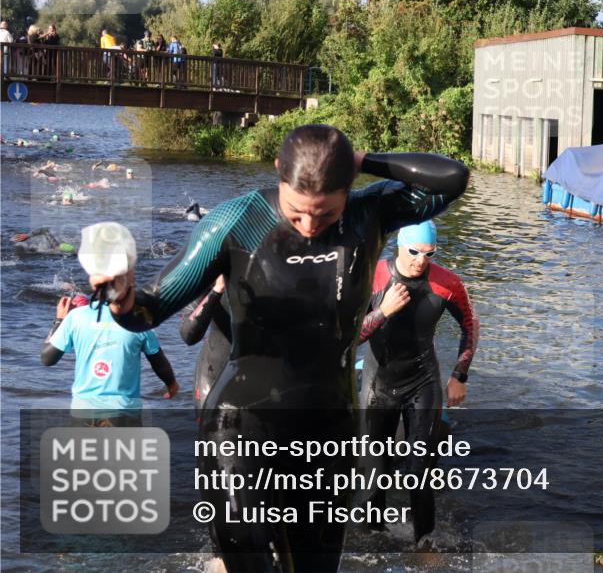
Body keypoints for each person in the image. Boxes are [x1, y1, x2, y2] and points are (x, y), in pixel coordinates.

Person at [88, 124, 469, 572]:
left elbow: (452, 177)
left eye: (325, 214)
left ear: (348, 189)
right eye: (297, 212)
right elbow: (147, 311)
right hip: (239, 426)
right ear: (278, 174)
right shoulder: (237, 221)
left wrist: (361, 159)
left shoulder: (371, 214)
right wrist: (121, 298)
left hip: (329, 428)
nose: (310, 226)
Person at [359, 219, 479, 543]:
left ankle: (424, 544)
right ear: (399, 245)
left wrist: (459, 375)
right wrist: (382, 311)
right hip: (378, 385)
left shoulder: (447, 283)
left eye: (429, 253)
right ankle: (374, 539)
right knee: (374, 471)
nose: (420, 260)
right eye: (414, 251)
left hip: (422, 382)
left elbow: (471, 324)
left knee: (420, 473)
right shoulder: (373, 276)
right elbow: (346, 335)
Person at [40, 294, 179, 427]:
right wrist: (171, 384)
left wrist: (59, 321)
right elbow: (158, 361)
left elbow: (47, 358)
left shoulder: (76, 316)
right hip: (124, 414)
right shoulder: (138, 319)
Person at [178, 275, 231, 412]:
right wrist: (217, 290)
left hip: (271, 381)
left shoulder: (283, 266)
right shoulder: (215, 267)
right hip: (215, 377)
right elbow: (188, 334)